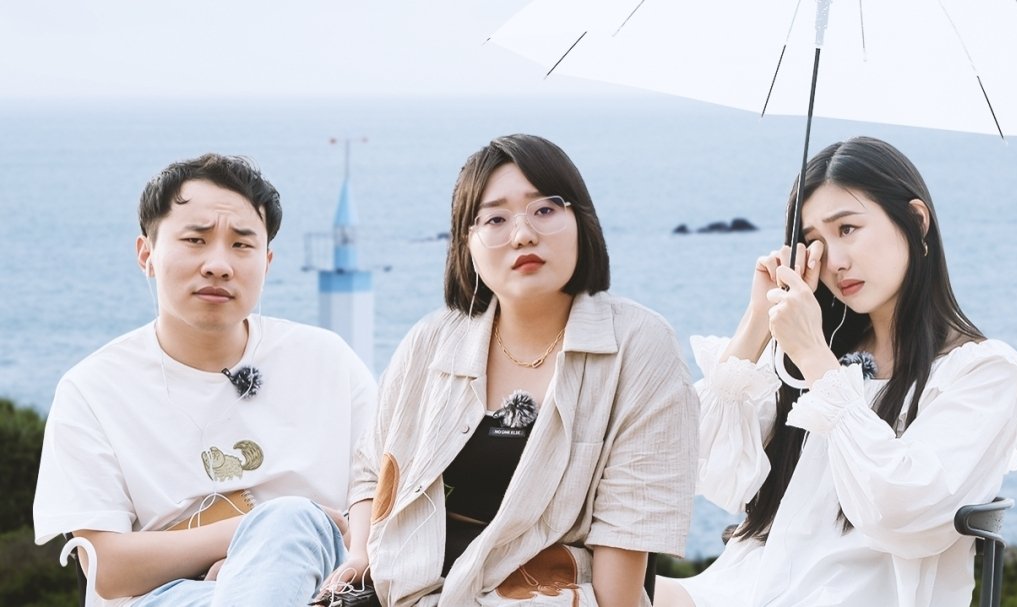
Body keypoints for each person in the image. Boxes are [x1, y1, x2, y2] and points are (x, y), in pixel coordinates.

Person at [655, 137, 1017, 607]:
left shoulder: (985, 373)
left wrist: (817, 361)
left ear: (916, 220)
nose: (835, 262)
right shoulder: (813, 358)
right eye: (816, 242)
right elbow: (693, 464)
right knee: (586, 587)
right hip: (743, 588)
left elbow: (902, 512)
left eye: (848, 229)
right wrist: (757, 320)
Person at [322, 134, 698, 607]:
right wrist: (359, 556)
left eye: (545, 209)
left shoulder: (638, 346)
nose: (523, 234)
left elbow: (630, 528)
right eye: (495, 219)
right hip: (403, 589)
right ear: (468, 243)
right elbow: (371, 469)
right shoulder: (431, 341)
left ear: (581, 220)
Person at [33, 153, 378, 606]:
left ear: (267, 262)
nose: (219, 265)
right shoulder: (93, 390)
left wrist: (338, 553)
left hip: (321, 590)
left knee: (292, 525)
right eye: (195, 240)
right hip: (168, 597)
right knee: (291, 519)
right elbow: (108, 569)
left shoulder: (327, 360)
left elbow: (378, 486)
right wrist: (248, 538)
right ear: (146, 254)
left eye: (241, 245)